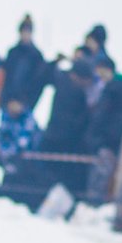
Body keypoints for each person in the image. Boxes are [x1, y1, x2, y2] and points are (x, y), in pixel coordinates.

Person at [33, 56, 94, 196]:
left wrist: (54, 61)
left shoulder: (63, 80)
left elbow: (45, 74)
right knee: (56, 173)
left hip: (57, 135)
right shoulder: (75, 90)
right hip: (64, 138)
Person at [82, 58, 122, 205]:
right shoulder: (114, 88)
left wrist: (101, 139)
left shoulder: (114, 89)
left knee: (101, 177)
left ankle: (96, 204)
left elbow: (106, 117)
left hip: (108, 142)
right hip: (107, 140)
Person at [0, 98, 41, 197]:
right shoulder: (6, 116)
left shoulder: (28, 121)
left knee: (12, 168)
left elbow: (22, 145)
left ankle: (6, 191)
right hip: (3, 153)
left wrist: (1, 150)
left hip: (20, 158)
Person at [0, 14, 46, 112]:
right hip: (7, 103)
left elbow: (36, 83)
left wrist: (25, 103)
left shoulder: (37, 57)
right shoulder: (12, 53)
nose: (25, 35)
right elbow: (4, 78)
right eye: (23, 32)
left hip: (25, 106)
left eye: (27, 32)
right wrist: (2, 99)